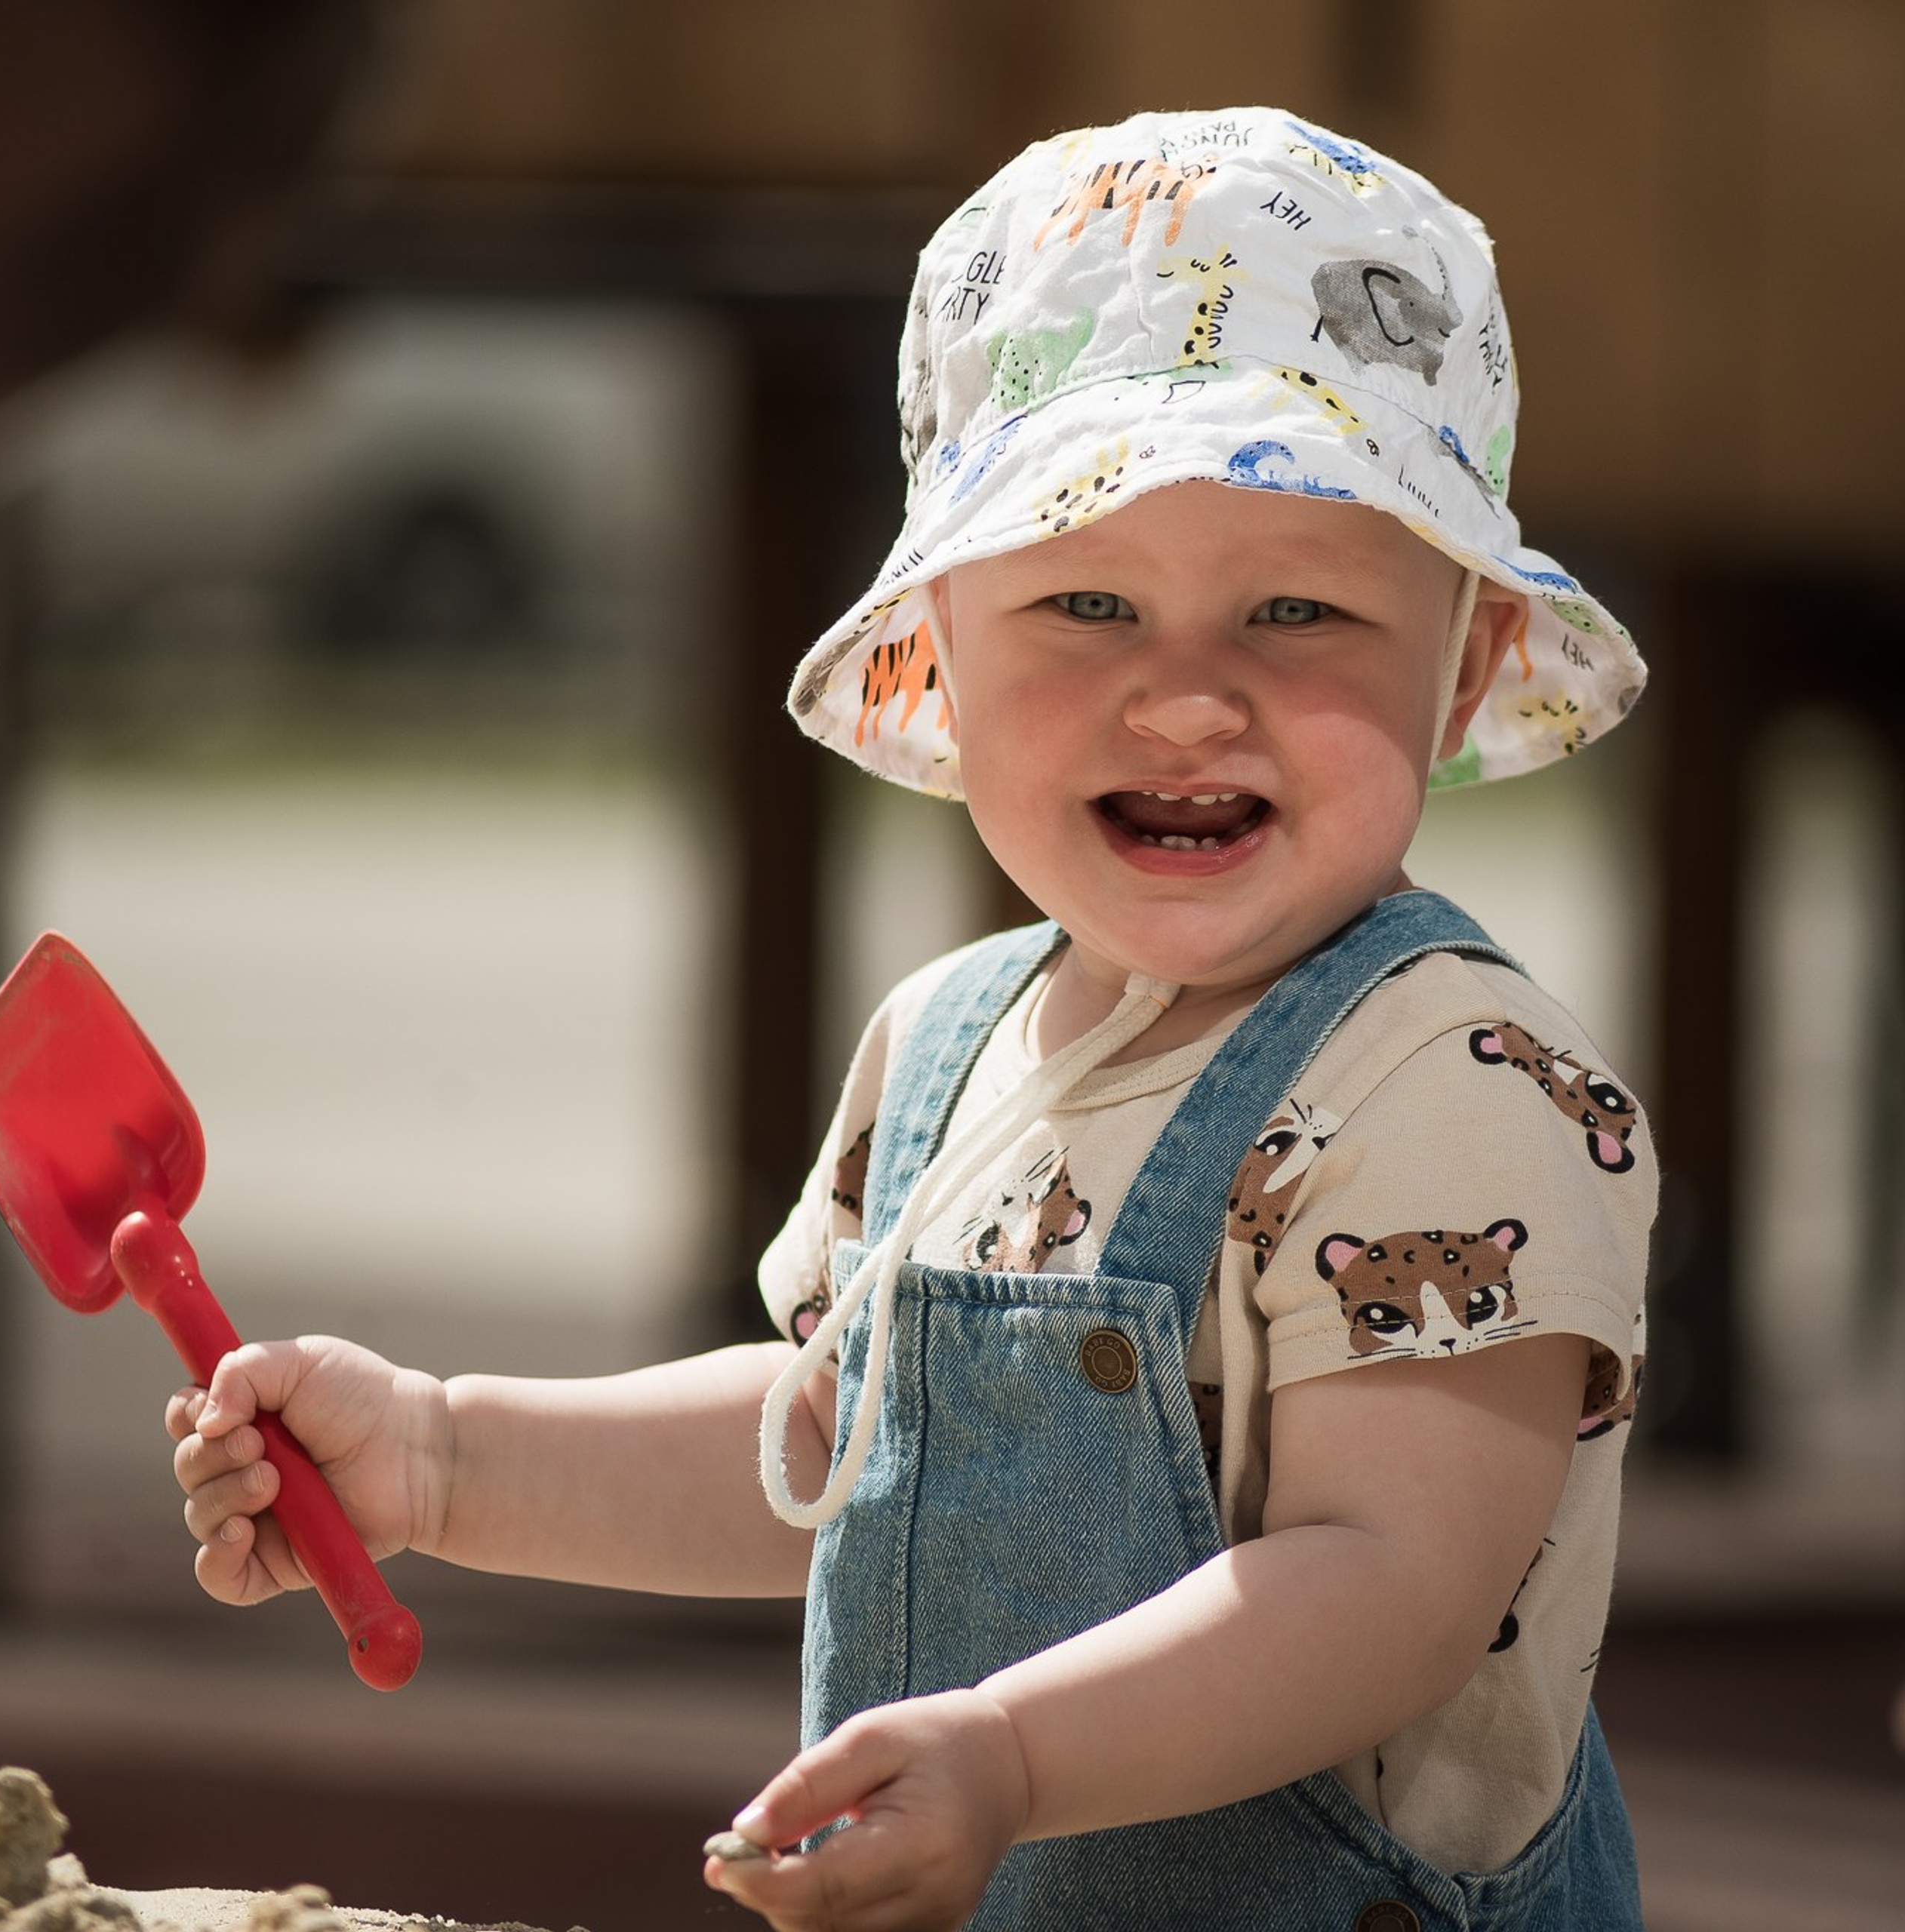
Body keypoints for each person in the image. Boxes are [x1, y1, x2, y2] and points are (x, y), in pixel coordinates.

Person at [168, 106, 1655, 1930]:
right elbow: (837, 1436)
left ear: (1470, 663)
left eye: (1294, 610)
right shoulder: (949, 1045)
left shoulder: (1455, 1085)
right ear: (937, 661)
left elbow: (1389, 1583)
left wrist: (1012, 1755)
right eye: (1084, 603)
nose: (1186, 702)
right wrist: (451, 1451)